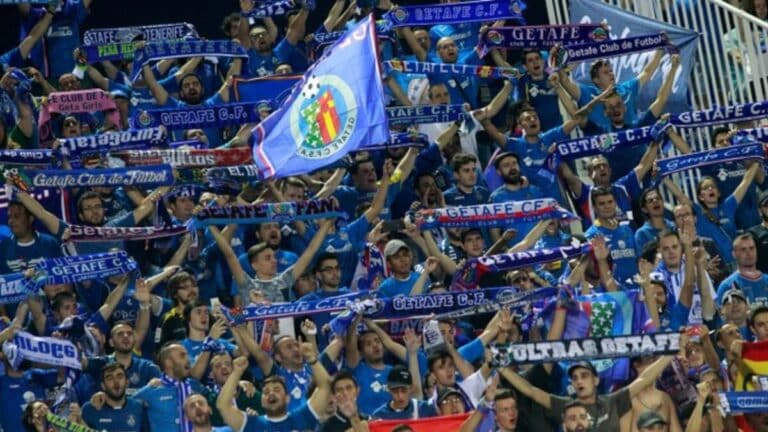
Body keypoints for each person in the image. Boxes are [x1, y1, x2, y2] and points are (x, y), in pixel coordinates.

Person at [501, 357, 674, 432]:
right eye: (575, 378)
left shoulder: (612, 401)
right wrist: (501, 368)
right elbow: (531, 391)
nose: (579, 381)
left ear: (596, 380)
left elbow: (644, 379)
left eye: (584, 376)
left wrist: (670, 353)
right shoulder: (565, 405)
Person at [216, 347, 330, 432]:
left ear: (287, 398)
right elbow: (223, 405)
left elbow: (325, 386)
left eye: (276, 389)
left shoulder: (302, 416)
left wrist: (312, 359)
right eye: (265, 392)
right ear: (262, 401)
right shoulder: (252, 424)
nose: (271, 393)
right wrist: (236, 372)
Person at [81, 363, 147, 432]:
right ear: (103, 385)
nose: (116, 382)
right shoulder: (89, 409)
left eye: (120, 377)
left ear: (127, 382)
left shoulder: (138, 408)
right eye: (110, 378)